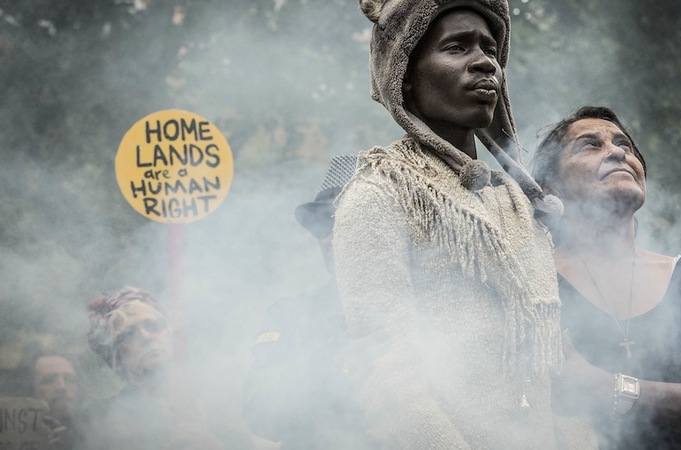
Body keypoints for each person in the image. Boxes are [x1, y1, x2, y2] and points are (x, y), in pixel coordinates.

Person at [333, 1, 592, 448]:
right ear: (405, 74)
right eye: (456, 47)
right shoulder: (381, 191)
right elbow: (386, 379)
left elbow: (551, 375)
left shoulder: (516, 201)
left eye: (490, 49)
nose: (484, 62)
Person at [531, 105, 681, 449]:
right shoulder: (534, 282)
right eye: (590, 145)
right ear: (551, 187)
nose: (618, 151)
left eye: (625, 145)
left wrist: (609, 388)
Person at [242, 154, 369, 449]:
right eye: (322, 227)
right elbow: (260, 413)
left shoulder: (420, 307)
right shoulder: (290, 315)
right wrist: (327, 357)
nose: (329, 239)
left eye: (343, 221)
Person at [75, 286, 226, 450]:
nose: (146, 337)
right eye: (129, 334)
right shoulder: (98, 418)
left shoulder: (216, 405)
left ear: (169, 333)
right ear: (115, 356)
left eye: (153, 326)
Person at [31, 352, 80, 449]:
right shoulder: (14, 437)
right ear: (32, 390)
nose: (62, 387)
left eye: (69, 379)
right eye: (49, 380)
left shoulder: (98, 431)